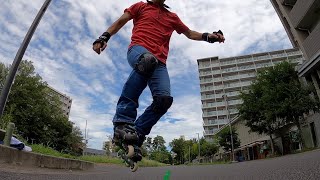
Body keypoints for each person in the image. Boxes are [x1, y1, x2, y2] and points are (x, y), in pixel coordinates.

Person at [93, 0, 225, 163]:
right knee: (148, 61)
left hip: (160, 63)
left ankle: (137, 135)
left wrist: (208, 37)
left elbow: (190, 33)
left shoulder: (172, 17)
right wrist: (104, 36)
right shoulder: (140, 6)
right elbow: (121, 21)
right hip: (138, 50)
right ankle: (123, 122)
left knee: (164, 100)